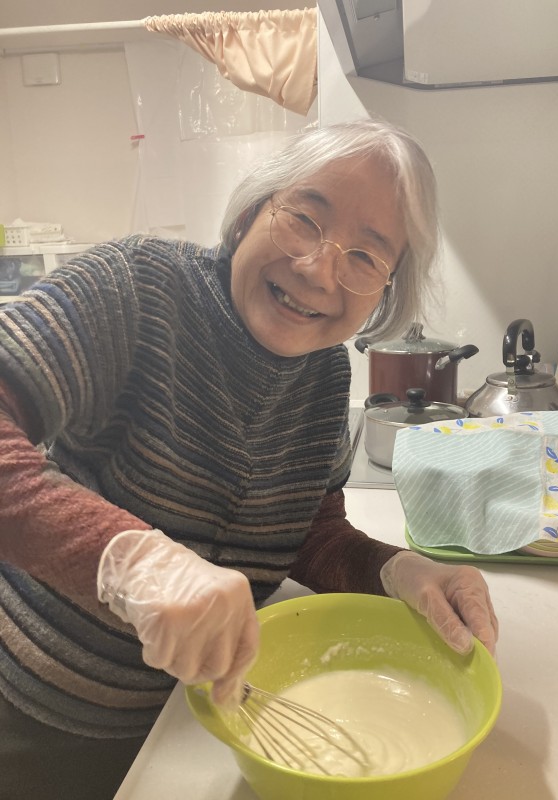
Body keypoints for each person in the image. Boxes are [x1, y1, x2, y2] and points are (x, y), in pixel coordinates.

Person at [0, 118, 498, 799]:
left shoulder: (327, 378)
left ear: (386, 290)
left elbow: (305, 533)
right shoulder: (136, 289)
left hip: (211, 722)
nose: (317, 269)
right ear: (251, 211)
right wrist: (125, 560)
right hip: (42, 721)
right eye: (304, 219)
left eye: (364, 256)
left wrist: (398, 571)